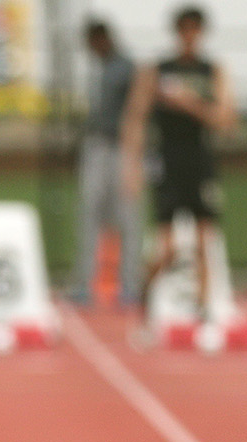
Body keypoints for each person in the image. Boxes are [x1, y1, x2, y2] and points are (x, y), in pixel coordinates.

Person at [121, 5, 236, 329]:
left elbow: (227, 119)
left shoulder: (212, 71)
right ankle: (144, 299)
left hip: (200, 161)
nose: (189, 36)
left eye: (194, 29)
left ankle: (202, 312)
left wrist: (190, 103)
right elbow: (135, 117)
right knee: (167, 248)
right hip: (168, 161)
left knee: (203, 244)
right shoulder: (157, 70)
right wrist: (132, 166)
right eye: (184, 29)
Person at [73, 19, 141, 307]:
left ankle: (130, 284)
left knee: (127, 217)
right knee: (90, 214)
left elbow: (137, 113)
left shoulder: (127, 68)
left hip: (121, 148)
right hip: (96, 146)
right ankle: (84, 284)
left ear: (102, 38)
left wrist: (134, 155)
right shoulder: (95, 70)